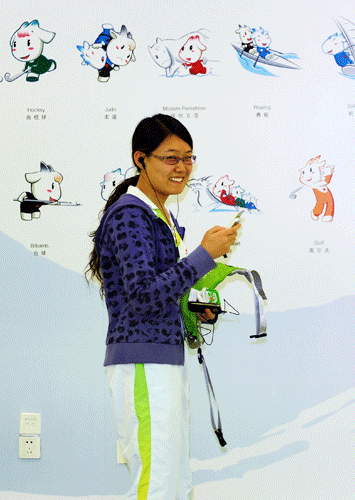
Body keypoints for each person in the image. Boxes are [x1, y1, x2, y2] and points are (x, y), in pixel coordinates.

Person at [86, 114, 239, 499]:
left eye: (188, 158)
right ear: (141, 159)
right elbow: (143, 294)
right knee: (157, 482)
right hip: (143, 361)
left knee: (174, 482)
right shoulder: (130, 214)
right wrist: (205, 255)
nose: (182, 168)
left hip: (159, 360)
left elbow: (157, 291)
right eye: (171, 158)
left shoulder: (157, 214)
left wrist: (193, 307)